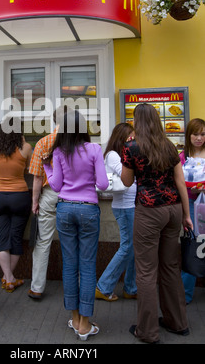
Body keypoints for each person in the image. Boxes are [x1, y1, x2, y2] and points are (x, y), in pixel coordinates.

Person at [121, 103, 193, 344]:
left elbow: (126, 181)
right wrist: (186, 215)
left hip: (149, 211)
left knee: (146, 271)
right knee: (171, 267)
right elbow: (180, 182)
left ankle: (148, 331)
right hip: (173, 210)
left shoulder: (131, 146)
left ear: (137, 121)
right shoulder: (169, 145)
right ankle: (178, 322)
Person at [43, 109, 109, 340]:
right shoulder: (94, 149)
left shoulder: (59, 151)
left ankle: (74, 317)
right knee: (88, 266)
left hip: (64, 209)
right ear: (83, 127)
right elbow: (102, 184)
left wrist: (48, 168)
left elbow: (57, 186)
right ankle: (85, 323)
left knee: (70, 265)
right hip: (88, 209)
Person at [0, 119, 32, 292]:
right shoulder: (25, 147)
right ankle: (9, 278)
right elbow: (30, 169)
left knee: (3, 238)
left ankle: (8, 278)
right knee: (16, 237)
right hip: (19, 196)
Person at [96, 123, 137, 302]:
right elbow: (127, 176)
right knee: (127, 246)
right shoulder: (113, 155)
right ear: (122, 137)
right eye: (131, 137)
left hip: (131, 206)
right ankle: (103, 287)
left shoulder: (122, 153)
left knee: (133, 247)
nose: (133, 140)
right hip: (124, 206)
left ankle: (130, 288)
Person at [27, 107, 65, 300]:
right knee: (72, 242)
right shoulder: (77, 143)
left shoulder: (43, 142)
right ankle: (74, 286)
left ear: (54, 121)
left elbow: (36, 178)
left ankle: (37, 287)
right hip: (71, 195)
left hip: (49, 194)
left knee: (43, 242)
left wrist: (35, 201)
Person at [179, 118, 205, 304]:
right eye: (195, 134)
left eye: (203, 134)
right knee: (193, 247)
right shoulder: (183, 155)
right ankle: (184, 294)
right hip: (190, 204)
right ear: (188, 135)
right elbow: (177, 181)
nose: (199, 138)